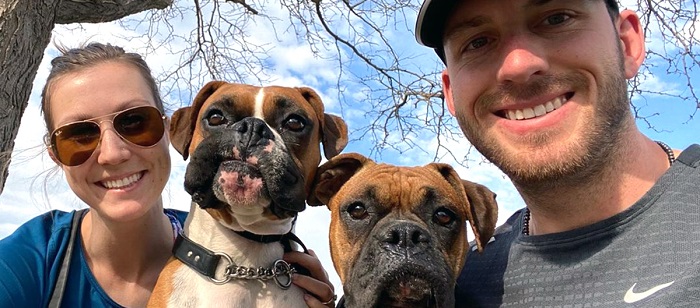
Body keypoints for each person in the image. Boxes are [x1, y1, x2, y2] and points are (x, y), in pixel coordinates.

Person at [0, 42, 335, 308]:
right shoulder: (32, 260)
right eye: (79, 135)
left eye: (134, 121)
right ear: (56, 156)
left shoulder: (295, 278)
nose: (113, 153)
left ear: (167, 128)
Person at [415, 0, 700, 307]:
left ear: (626, 43)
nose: (518, 66)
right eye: (478, 42)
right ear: (451, 94)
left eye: (556, 18)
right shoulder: (456, 283)